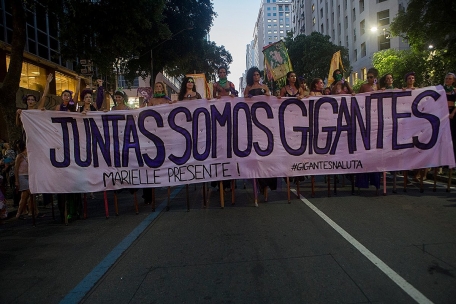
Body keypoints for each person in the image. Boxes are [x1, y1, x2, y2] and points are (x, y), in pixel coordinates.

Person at [14, 140, 42, 219]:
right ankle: (35, 211)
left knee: (24, 196)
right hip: (22, 176)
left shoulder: (29, 155)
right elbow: (16, 169)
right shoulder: (20, 156)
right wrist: (16, 180)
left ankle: (19, 214)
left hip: (29, 176)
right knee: (31, 192)